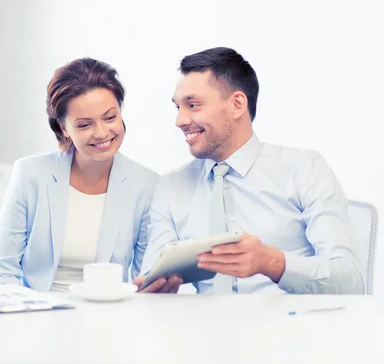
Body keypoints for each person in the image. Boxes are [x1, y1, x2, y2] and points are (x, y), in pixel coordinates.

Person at [134, 47, 363, 294]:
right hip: (201, 329)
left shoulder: (303, 169)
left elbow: (350, 281)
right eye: (178, 107)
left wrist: (272, 263)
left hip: (291, 328)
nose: (180, 120)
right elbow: (152, 276)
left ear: (237, 104)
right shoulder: (170, 187)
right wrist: (153, 290)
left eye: (192, 105)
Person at [0, 58, 159, 292]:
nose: (101, 133)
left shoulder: (146, 184)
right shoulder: (30, 174)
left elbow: (144, 279)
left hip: (110, 317)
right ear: (63, 128)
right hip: (36, 313)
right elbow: (1, 270)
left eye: (110, 118)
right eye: (85, 125)